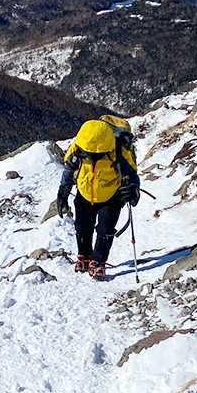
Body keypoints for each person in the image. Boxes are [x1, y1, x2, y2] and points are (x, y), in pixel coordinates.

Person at [56, 117, 141, 280]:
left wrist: (132, 190)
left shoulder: (117, 150)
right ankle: (85, 255)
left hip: (111, 197)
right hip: (86, 193)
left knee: (105, 230)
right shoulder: (81, 148)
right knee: (82, 226)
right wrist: (62, 195)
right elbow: (68, 171)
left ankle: (98, 260)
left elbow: (131, 175)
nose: (93, 157)